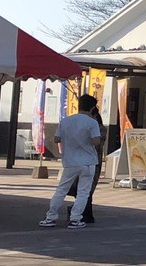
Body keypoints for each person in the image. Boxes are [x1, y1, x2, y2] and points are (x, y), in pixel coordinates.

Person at [39, 94, 102, 229]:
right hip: (88, 162)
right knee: (83, 192)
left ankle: (50, 217)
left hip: (70, 162)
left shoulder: (66, 121)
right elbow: (96, 141)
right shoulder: (92, 122)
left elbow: (56, 139)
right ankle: (75, 219)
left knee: (61, 190)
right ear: (92, 108)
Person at [68, 103, 106, 224]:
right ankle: (82, 213)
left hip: (92, 162)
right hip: (85, 161)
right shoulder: (93, 128)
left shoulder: (99, 129)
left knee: (86, 189)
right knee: (83, 189)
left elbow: (93, 142)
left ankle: (82, 213)